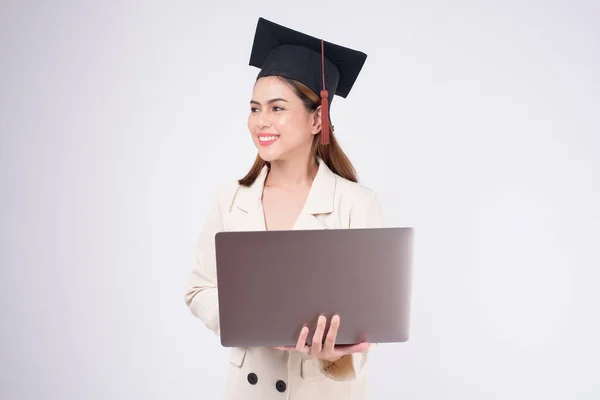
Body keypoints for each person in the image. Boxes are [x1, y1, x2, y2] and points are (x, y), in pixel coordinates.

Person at [184, 17, 384, 400]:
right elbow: (198, 289)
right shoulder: (230, 198)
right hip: (250, 389)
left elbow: (368, 323)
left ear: (316, 118)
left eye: (277, 108)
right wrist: (249, 321)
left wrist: (334, 354)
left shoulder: (357, 204)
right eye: (255, 108)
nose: (262, 122)